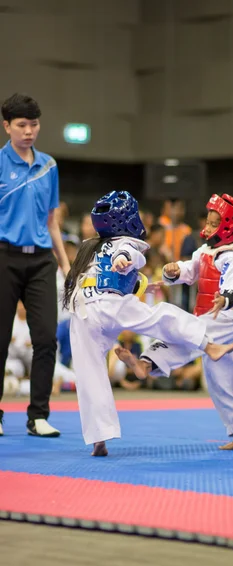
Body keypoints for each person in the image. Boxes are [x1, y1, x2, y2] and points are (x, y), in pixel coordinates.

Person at [64, 190, 233, 457]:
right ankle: (208, 344)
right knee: (163, 316)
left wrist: (133, 272)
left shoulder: (90, 247)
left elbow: (120, 274)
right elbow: (128, 255)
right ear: (125, 220)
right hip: (110, 304)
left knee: (90, 375)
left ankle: (99, 438)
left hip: (82, 310)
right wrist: (125, 260)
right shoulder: (123, 242)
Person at [116, 193, 233, 450]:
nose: (209, 227)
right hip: (213, 320)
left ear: (230, 228)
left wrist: (225, 298)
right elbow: (191, 270)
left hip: (229, 319)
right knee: (219, 382)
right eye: (209, 222)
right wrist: (175, 272)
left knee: (182, 330)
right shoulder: (205, 251)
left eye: (215, 223)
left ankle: (146, 364)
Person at [0, 93, 70, 437]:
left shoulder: (49, 166)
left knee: (45, 338)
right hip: (4, 257)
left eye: (34, 124)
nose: (29, 131)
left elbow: (52, 220)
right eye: (21, 125)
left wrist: (66, 267)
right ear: (7, 126)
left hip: (42, 260)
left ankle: (38, 415)